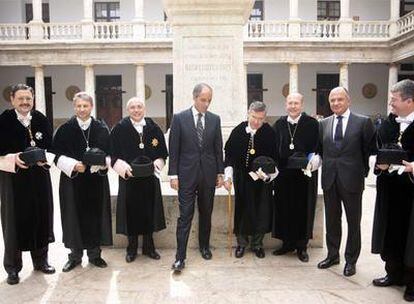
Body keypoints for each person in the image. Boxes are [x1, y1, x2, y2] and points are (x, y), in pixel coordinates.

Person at [317, 86, 376, 277]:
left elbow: (369, 151)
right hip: (329, 180)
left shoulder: (363, 122)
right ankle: (333, 255)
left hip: (352, 181)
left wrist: (360, 173)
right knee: (332, 220)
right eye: (332, 100)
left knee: (353, 222)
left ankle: (351, 260)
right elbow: (321, 151)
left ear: (348, 101)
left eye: (339, 99)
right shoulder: (323, 124)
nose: (335, 103)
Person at [0, 84, 55, 285]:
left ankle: (41, 261)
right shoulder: (3, 121)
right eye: (21, 98)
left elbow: (50, 146)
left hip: (39, 177)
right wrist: (14, 158)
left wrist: (45, 158)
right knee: (14, 222)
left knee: (41, 216)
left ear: (33, 100)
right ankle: (13, 268)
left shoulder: (40, 119)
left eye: (28, 99)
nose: (25, 102)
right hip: (13, 181)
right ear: (12, 99)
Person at [52, 92, 112, 272]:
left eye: (85, 106)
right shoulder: (64, 129)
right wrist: (72, 164)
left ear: (91, 107)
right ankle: (75, 256)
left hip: (95, 182)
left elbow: (110, 153)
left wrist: (99, 164)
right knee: (73, 217)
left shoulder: (101, 128)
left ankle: (95, 255)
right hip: (73, 181)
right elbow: (55, 155)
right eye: (78, 106)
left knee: (95, 217)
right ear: (74, 107)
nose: (82, 109)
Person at [168, 83, 224, 272]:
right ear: (194, 98)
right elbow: (173, 149)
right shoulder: (179, 118)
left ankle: (204, 247)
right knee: (185, 216)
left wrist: (220, 173)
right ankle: (180, 257)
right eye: (203, 100)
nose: (206, 104)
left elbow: (218, 149)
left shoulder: (215, 120)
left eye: (209, 100)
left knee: (206, 214)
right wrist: (173, 175)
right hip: (186, 176)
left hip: (208, 176)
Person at [110, 97, 168, 263]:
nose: (136, 110)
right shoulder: (119, 128)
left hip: (150, 179)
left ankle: (149, 247)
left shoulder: (154, 128)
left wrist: (158, 162)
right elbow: (112, 154)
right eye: (133, 107)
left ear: (144, 109)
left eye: (139, 107)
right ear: (128, 110)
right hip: (129, 179)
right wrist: (123, 168)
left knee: (149, 212)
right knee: (131, 214)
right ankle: (132, 248)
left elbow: (162, 153)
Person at [371, 79, 414, 302]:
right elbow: (376, 149)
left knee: (410, 237)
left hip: (411, 192)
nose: (391, 104)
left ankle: (412, 282)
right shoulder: (388, 123)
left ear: (409, 101)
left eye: (394, 100)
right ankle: (393, 273)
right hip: (390, 189)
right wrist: (379, 164)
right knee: (390, 230)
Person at [223, 101, 277, 259]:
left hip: (262, 181)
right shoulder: (239, 130)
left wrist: (267, 174)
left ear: (264, 118)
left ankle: (257, 244)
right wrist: (228, 175)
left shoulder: (269, 132)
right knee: (242, 210)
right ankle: (241, 243)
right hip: (242, 179)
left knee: (261, 211)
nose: (256, 122)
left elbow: (275, 158)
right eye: (254, 117)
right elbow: (229, 154)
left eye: (260, 119)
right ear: (248, 113)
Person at [272, 93, 319, 262]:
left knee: (302, 209)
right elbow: (273, 148)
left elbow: (317, 147)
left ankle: (301, 246)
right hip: (284, 175)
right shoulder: (278, 124)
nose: (293, 106)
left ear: (302, 105)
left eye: (296, 103)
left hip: (304, 176)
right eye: (290, 103)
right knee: (284, 208)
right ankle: (286, 243)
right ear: (286, 105)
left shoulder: (312, 124)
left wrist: (313, 161)